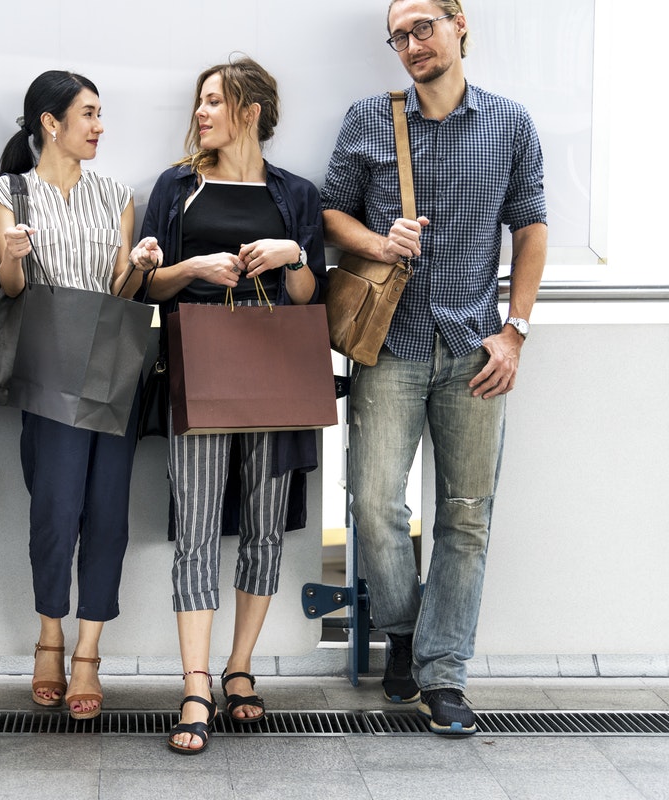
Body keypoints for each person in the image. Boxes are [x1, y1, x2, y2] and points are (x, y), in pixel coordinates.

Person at [321, 0, 547, 735]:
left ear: (459, 26)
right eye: (399, 35)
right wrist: (380, 242)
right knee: (374, 505)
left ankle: (442, 675)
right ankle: (407, 632)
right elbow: (330, 215)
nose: (412, 43)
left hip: (478, 348)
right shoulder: (368, 119)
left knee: (465, 516)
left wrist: (515, 331)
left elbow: (532, 227)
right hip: (389, 344)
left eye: (424, 26)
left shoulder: (510, 124)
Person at [131, 56, 326, 754]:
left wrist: (291, 256)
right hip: (199, 369)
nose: (203, 112)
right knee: (197, 529)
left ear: (252, 110)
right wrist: (191, 270)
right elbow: (145, 287)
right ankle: (194, 683)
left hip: (276, 373)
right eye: (200, 100)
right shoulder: (176, 187)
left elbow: (310, 299)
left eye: (216, 101)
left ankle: (239, 667)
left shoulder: (295, 193)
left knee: (267, 527)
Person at [0, 70, 143, 720]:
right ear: (51, 123)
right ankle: (49, 636)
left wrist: (142, 264)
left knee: (107, 513)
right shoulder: (8, 192)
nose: (100, 127)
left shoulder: (117, 194)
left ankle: (88, 654)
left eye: (101, 114)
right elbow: (12, 288)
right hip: (49, 366)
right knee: (54, 508)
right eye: (89, 114)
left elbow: (123, 292)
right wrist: (15, 255)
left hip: (113, 366)